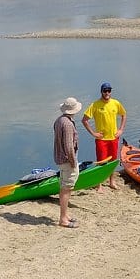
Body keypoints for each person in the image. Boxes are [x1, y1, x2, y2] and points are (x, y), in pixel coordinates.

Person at [83, 82, 125, 189]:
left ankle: (112, 182)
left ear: (111, 92)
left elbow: (124, 115)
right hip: (101, 140)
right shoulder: (95, 105)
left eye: (109, 91)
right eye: (105, 91)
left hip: (114, 138)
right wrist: (94, 133)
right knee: (101, 162)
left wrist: (120, 130)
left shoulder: (116, 103)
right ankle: (99, 184)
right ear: (101, 92)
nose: (107, 93)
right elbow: (84, 120)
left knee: (113, 161)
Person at [53, 96, 82, 227]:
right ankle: (63, 219)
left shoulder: (59, 120)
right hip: (66, 160)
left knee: (64, 187)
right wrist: (73, 162)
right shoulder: (68, 124)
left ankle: (65, 215)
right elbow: (69, 146)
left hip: (59, 158)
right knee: (67, 188)